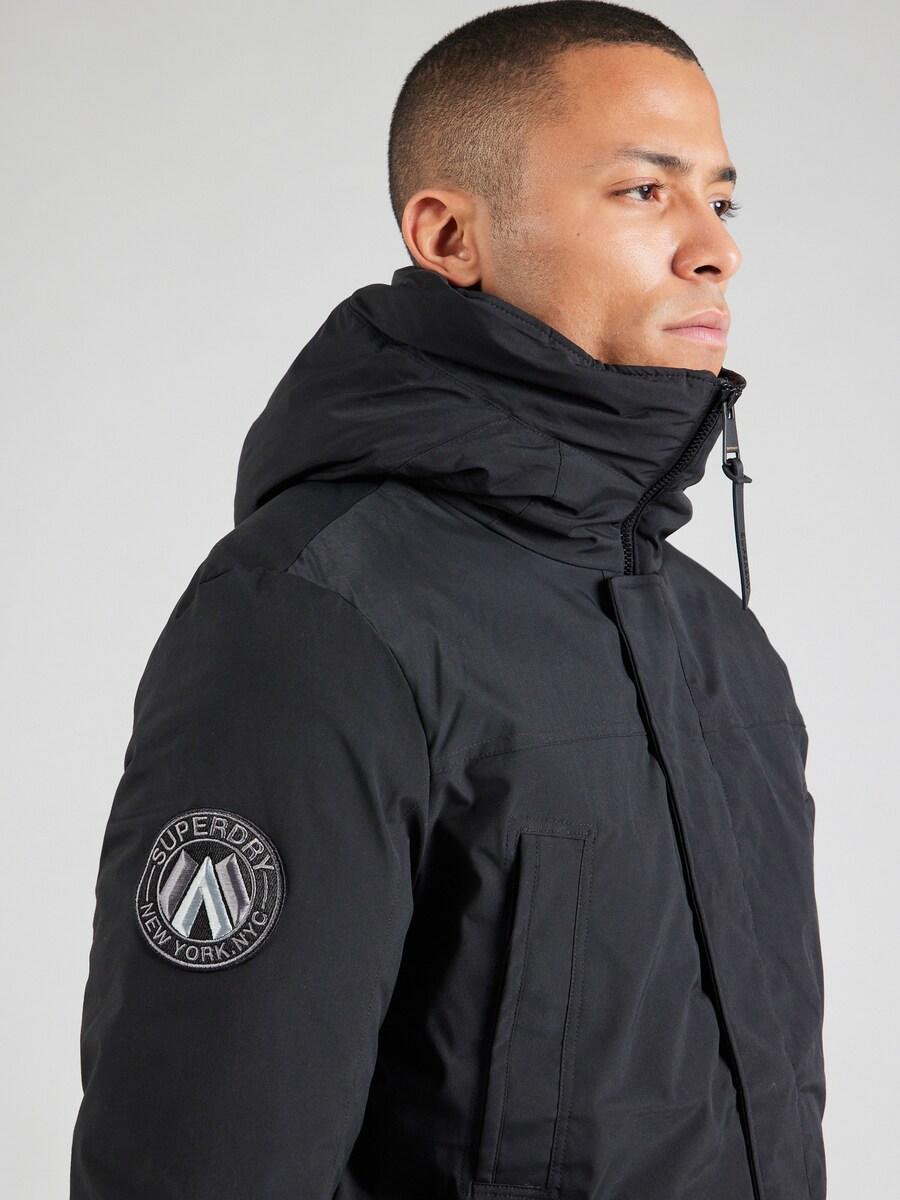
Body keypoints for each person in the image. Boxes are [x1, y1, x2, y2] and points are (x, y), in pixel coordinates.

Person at [69, 4, 826, 1198]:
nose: (714, 250)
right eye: (645, 191)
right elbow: (203, 1160)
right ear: (449, 233)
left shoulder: (717, 637)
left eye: (721, 201)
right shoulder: (313, 616)